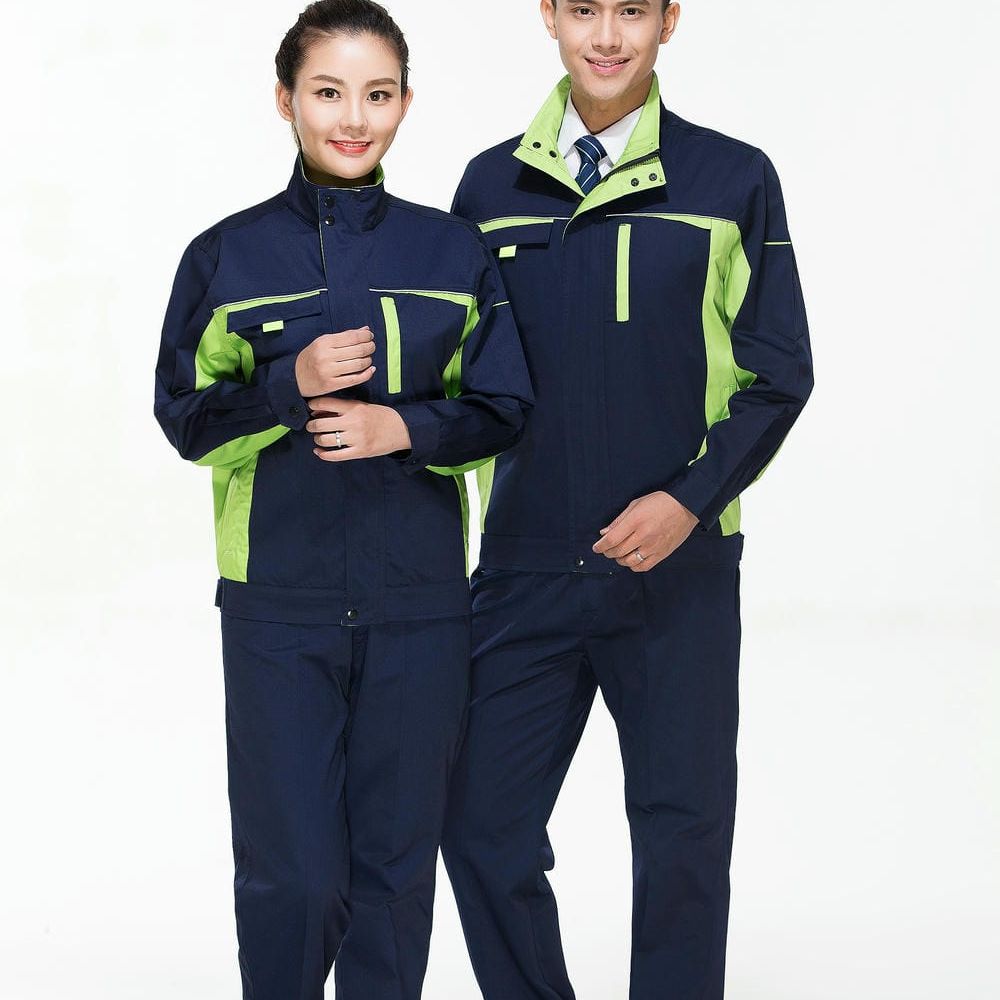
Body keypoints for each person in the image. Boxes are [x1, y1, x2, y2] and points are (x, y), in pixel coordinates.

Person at [152, 2, 532, 997]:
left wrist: (404, 430)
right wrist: (293, 383)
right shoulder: (225, 256)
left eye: (376, 94)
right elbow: (187, 421)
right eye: (328, 92)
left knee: (393, 880)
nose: (353, 117)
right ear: (286, 100)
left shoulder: (453, 253)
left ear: (404, 103)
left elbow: (505, 409)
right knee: (295, 878)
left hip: (421, 609)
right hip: (278, 610)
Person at [440, 2, 814, 998]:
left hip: (678, 572)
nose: (607, 36)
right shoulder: (487, 189)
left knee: (682, 838)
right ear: (549, 16)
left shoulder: (732, 178)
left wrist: (688, 501)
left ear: (668, 19)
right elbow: (464, 382)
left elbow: (779, 372)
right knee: (477, 824)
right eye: (584, 9)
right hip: (523, 566)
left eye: (631, 10)